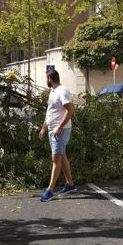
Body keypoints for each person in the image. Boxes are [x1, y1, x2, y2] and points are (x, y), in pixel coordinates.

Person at [38, 69, 77, 202]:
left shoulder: (62, 90)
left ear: (49, 78)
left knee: (56, 158)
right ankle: (70, 185)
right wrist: (44, 128)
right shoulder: (53, 91)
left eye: (46, 78)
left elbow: (70, 110)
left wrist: (59, 127)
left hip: (60, 130)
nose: (46, 80)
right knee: (61, 155)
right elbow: (50, 112)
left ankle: (50, 190)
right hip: (53, 130)